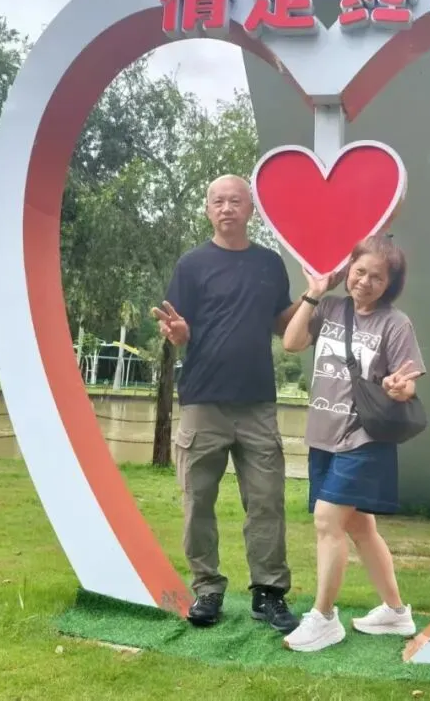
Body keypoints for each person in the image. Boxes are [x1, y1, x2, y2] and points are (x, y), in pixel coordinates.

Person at [152, 174, 323, 635]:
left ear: (251, 209)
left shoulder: (269, 264)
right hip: (203, 401)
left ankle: (269, 593)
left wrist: (314, 295)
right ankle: (207, 589)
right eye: (218, 201)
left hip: (256, 403)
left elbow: (282, 324)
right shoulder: (192, 264)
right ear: (208, 210)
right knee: (198, 502)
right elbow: (179, 326)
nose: (227, 208)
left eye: (235, 201)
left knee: (266, 501)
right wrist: (179, 333)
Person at [279, 234, 425, 653]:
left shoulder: (395, 323)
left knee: (327, 521)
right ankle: (396, 612)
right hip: (323, 434)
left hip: (364, 437)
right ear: (348, 271)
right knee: (359, 525)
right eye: (360, 272)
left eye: (377, 277)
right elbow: (291, 343)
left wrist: (399, 387)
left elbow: (407, 383)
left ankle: (324, 618)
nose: (365, 282)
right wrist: (313, 292)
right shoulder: (329, 308)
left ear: (390, 284)